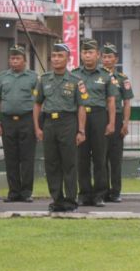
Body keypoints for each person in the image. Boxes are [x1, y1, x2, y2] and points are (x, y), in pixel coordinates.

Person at [33, 43, 87, 212]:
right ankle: (57, 200)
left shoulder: (76, 81)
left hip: (68, 123)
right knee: (51, 163)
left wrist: (81, 130)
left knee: (69, 163)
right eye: (54, 56)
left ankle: (70, 200)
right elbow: (37, 104)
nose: (56, 59)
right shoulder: (43, 79)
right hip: (49, 123)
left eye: (60, 56)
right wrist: (37, 128)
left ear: (67, 59)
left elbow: (81, 106)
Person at [0, 44, 39, 203]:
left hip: (27, 120)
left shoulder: (33, 77)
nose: (14, 61)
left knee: (27, 158)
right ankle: (13, 192)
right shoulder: (2, 77)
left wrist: (37, 125)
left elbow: (38, 102)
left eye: (18, 58)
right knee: (10, 158)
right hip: (7, 121)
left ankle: (26, 192)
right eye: (12, 58)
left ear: (24, 60)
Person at [72, 39, 116, 207]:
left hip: (99, 116)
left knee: (100, 158)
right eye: (84, 52)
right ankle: (84, 194)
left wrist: (111, 123)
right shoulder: (74, 74)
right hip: (80, 117)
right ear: (81, 55)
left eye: (90, 52)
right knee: (81, 158)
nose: (87, 55)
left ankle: (99, 195)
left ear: (97, 55)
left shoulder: (105, 75)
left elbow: (111, 101)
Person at [101, 43, 134, 203]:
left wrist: (125, 123)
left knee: (115, 158)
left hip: (118, 117)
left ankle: (115, 192)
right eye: (104, 57)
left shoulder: (122, 78)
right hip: (100, 117)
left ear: (116, 59)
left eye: (110, 57)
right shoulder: (97, 77)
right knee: (101, 157)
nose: (107, 60)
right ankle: (102, 191)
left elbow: (127, 102)